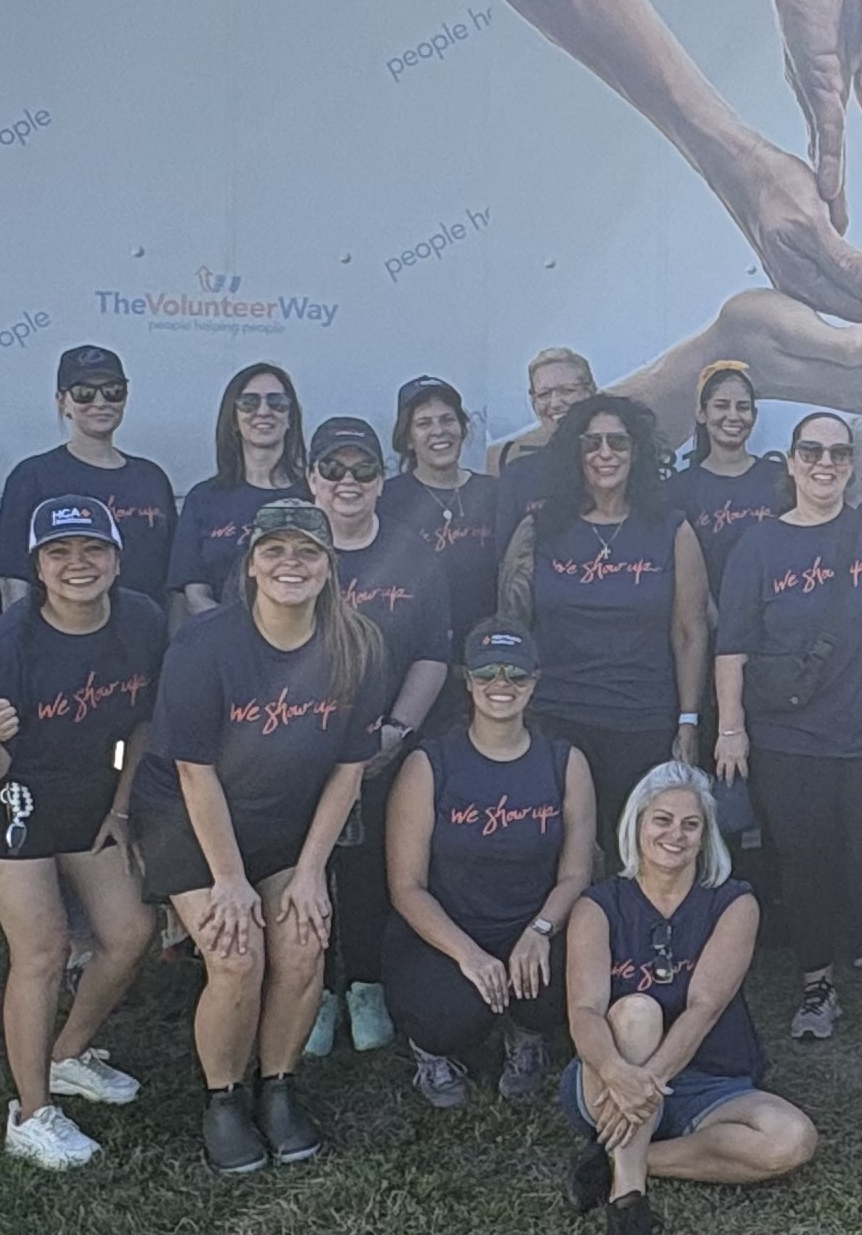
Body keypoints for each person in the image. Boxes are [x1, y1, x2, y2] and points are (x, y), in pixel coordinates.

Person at [132, 498, 377, 1174]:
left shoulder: (358, 644)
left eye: (306, 552)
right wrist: (230, 882)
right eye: (275, 551)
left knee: (302, 943)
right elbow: (192, 770)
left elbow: (349, 770)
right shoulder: (205, 644)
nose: (289, 564)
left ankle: (278, 1086)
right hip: (190, 818)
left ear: (329, 567)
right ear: (250, 565)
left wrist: (309, 873)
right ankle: (223, 1098)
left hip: (287, 820)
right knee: (237, 951)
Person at [712, 408, 862, 1042]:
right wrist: (730, 727)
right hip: (788, 742)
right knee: (804, 866)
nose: (825, 464)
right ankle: (815, 988)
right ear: (790, 461)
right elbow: (732, 645)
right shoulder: (758, 545)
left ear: (853, 465)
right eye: (812, 452)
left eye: (838, 454)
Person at [0, 496, 165, 1171]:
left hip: (87, 799)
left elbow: (141, 723)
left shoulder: (142, 619)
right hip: (4, 803)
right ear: (37, 567)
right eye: (59, 553)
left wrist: (123, 808)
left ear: (116, 558)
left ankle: (69, 1054)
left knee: (130, 933)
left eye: (92, 549)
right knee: (42, 950)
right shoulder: (9, 644)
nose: (78, 564)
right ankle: (31, 1112)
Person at [561, 761, 815, 1235]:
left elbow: (704, 1007)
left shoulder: (733, 901)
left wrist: (646, 1087)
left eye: (690, 824)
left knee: (792, 1139)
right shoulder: (598, 904)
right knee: (636, 1011)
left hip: (706, 1079)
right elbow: (584, 1012)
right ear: (636, 824)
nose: (674, 834)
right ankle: (628, 1206)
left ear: (706, 835)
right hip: (608, 1076)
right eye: (661, 819)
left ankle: (621, 1159)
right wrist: (619, 1075)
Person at [386, 622, 597, 1108]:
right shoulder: (430, 764)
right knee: (451, 1016)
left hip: (531, 925)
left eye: (516, 675)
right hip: (447, 931)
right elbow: (407, 886)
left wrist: (541, 930)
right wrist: (469, 955)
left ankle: (527, 1035)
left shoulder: (564, 761)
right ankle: (432, 1051)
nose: (501, 684)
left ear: (535, 681)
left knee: (559, 986)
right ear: (467, 679)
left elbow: (576, 874)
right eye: (487, 673)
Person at [305, 414, 457, 1059]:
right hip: (301, 746)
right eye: (333, 469)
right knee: (305, 868)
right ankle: (314, 989)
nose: (348, 481)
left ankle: (365, 982)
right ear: (311, 479)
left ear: (381, 478)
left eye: (362, 468)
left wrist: (396, 732)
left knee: (372, 868)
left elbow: (433, 652)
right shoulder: (289, 549)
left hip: (385, 745)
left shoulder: (412, 550)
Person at [498, 392, 709, 841]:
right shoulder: (539, 530)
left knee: (633, 856)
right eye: (591, 443)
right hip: (554, 720)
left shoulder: (672, 530)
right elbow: (510, 627)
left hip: (643, 722)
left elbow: (690, 632)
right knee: (557, 854)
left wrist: (688, 722)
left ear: (638, 452)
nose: (605, 454)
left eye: (618, 442)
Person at [0, 345, 179, 607]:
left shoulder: (152, 478)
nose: (100, 403)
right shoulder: (32, 476)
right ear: (62, 401)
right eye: (84, 393)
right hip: (61, 640)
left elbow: (173, 582)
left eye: (113, 391)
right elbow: (13, 578)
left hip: (145, 639)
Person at [171, 361, 308, 613]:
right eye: (249, 403)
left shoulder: (314, 495)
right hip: (221, 642)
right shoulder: (203, 498)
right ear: (233, 419)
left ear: (290, 418)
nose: (264, 411)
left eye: (276, 402)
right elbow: (193, 594)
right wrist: (238, 632)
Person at [387, 376, 506, 631]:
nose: (439, 431)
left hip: (484, 654)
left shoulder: (495, 493)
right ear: (407, 438)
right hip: (415, 650)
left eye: (447, 419)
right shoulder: (386, 500)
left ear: (462, 428)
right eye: (423, 423)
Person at [662, 360, 788, 589]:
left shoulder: (782, 479)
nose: (733, 416)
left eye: (742, 407)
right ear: (701, 413)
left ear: (754, 415)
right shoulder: (677, 491)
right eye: (721, 405)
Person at [490, 346, 596, 477]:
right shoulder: (519, 472)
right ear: (533, 401)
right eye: (543, 394)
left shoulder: (616, 459)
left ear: (590, 392)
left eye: (567, 390)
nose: (555, 403)